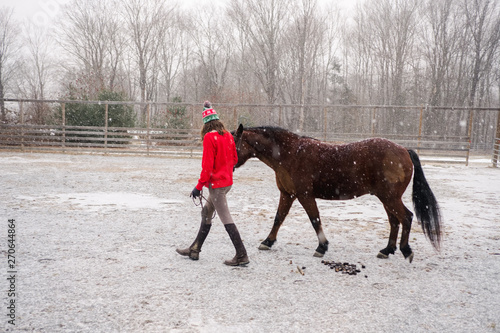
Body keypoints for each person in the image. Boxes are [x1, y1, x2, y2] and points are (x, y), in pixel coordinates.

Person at [176, 101, 249, 266]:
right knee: (206, 212)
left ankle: (242, 254)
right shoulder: (228, 136)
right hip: (227, 183)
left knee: (226, 218)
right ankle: (194, 249)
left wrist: (198, 186)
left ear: (205, 124)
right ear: (218, 120)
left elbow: (207, 167)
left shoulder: (210, 137)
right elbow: (235, 159)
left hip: (217, 187)